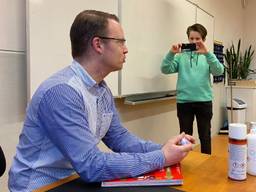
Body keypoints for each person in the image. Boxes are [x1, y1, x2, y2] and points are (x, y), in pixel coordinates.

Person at [8, 10, 195, 191]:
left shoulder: (102, 89)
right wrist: (161, 157)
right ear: (98, 44)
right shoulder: (62, 92)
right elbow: (91, 165)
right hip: (41, 186)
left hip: (73, 179)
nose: (126, 49)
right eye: (121, 42)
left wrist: (165, 148)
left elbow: (120, 138)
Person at [161, 23, 224, 154]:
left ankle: (206, 162)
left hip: (204, 102)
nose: (194, 41)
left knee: (205, 136)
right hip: (184, 103)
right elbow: (165, 69)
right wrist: (171, 53)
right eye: (191, 38)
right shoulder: (180, 56)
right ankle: (185, 162)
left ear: (204, 40)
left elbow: (219, 71)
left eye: (198, 39)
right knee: (184, 137)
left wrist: (207, 53)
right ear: (188, 39)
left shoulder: (208, 56)